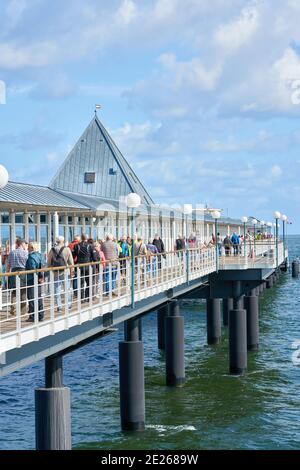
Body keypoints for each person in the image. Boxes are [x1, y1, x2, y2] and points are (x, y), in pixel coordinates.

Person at [48, 236, 74, 312]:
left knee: (57, 290)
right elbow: (71, 262)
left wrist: (50, 269)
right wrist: (72, 271)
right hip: (65, 271)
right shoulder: (67, 249)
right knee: (67, 289)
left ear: (56, 241)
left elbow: (49, 262)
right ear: (63, 241)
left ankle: (59, 306)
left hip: (56, 272)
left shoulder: (52, 250)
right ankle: (68, 305)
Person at [6, 239, 28, 316]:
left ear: (17, 244)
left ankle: (13, 308)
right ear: (21, 244)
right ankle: (23, 311)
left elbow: (8, 265)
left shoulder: (12, 253)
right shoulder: (25, 253)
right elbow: (27, 264)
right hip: (23, 272)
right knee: (23, 292)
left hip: (14, 273)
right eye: (25, 244)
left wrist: (8, 274)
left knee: (14, 291)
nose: (26, 245)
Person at [26, 242, 45, 322]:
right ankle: (40, 315)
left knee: (31, 297)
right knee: (39, 297)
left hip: (32, 279)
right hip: (39, 279)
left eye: (29, 247)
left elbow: (32, 269)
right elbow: (43, 266)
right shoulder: (41, 255)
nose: (27, 249)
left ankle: (33, 316)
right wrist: (41, 277)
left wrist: (37, 276)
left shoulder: (31, 257)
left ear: (32, 248)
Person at [74, 234, 93, 302]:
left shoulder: (77, 245)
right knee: (88, 282)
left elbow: (74, 255)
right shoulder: (90, 245)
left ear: (81, 238)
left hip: (80, 266)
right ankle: (87, 297)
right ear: (87, 238)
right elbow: (93, 256)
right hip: (87, 266)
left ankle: (82, 298)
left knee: (81, 282)